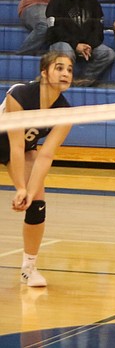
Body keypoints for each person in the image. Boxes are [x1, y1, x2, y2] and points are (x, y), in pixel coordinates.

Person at [2, 52, 75, 288]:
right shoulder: (20, 95)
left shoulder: (64, 112)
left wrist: (29, 193)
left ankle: (29, 268)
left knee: (37, 202)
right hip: (9, 144)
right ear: (44, 73)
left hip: (25, 150)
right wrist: (20, 186)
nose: (65, 73)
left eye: (70, 70)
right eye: (59, 68)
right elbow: (15, 144)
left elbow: (45, 155)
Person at [45, 0, 115, 87]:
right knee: (67, 51)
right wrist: (75, 45)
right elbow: (54, 32)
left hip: (86, 45)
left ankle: (82, 81)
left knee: (108, 53)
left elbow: (98, 28)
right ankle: (65, 82)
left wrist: (89, 45)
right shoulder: (56, 2)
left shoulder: (92, 1)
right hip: (62, 44)